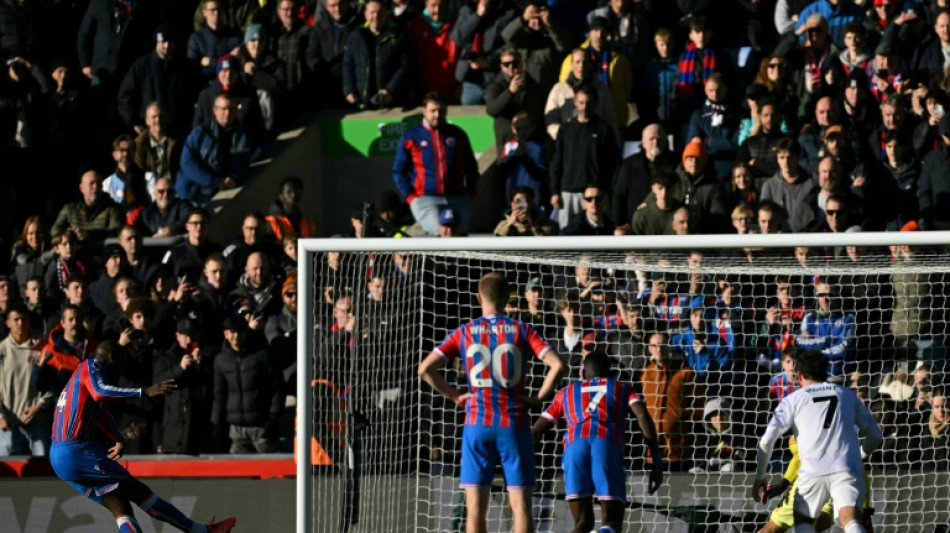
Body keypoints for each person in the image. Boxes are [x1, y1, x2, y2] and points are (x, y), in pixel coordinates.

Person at [417, 272, 565, 533]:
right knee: (520, 506)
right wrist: (538, 398)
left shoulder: (464, 331)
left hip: (477, 422)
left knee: (475, 509)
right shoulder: (522, 329)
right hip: (514, 422)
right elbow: (558, 365)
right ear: (508, 298)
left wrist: (455, 395)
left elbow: (425, 369)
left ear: (478, 298)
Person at [49, 341, 237, 533]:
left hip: (59, 455)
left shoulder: (80, 377)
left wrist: (119, 439)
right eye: (123, 363)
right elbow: (100, 393)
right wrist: (145, 391)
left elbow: (101, 415)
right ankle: (201, 531)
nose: (123, 370)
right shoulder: (93, 365)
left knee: (119, 504)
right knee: (139, 492)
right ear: (113, 358)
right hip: (76, 451)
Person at [752, 349, 883, 533]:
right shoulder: (847, 394)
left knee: (804, 521)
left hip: (811, 472)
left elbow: (766, 442)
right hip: (846, 468)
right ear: (825, 373)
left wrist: (760, 476)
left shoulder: (792, 400)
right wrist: (859, 455)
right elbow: (876, 436)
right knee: (850, 519)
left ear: (799, 375)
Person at [531, 350, 663, 533]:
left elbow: (537, 430)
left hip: (574, 449)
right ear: (610, 373)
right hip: (605, 445)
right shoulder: (622, 387)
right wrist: (656, 459)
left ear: (583, 373)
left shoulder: (566, 392)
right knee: (612, 523)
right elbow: (642, 415)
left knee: (582, 523)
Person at [392, 91, 479, 235]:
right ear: (424, 112)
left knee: (461, 234)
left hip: (457, 197)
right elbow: (398, 170)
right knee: (439, 234)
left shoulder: (458, 134)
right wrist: (410, 196)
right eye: (433, 111)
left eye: (441, 110)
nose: (437, 115)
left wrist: (470, 191)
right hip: (426, 199)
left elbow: (470, 166)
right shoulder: (411, 136)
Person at [0, 305, 53, 456]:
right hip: (9, 426)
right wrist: (1, 417)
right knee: (9, 476)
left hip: (39, 423)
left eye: (23, 319)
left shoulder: (42, 348)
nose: (20, 323)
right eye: (16, 319)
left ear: (29, 321)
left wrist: (39, 406)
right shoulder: (1, 351)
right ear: (8, 323)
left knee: (42, 474)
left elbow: (52, 384)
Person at [341, 0, 411, 110]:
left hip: (391, 103)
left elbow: (405, 66)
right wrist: (348, 89)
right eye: (372, 12)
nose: (376, 16)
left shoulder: (397, 36)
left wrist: (390, 90)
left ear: (386, 13)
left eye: (380, 13)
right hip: (361, 102)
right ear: (366, 14)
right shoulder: (356, 36)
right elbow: (348, 65)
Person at [51, 170, 124, 244]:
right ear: (82, 188)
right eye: (91, 183)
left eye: (98, 183)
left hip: (102, 251)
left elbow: (116, 231)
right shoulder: (69, 209)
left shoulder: (113, 208)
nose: (95, 186)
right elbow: (54, 230)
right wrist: (71, 233)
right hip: (76, 251)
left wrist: (90, 234)